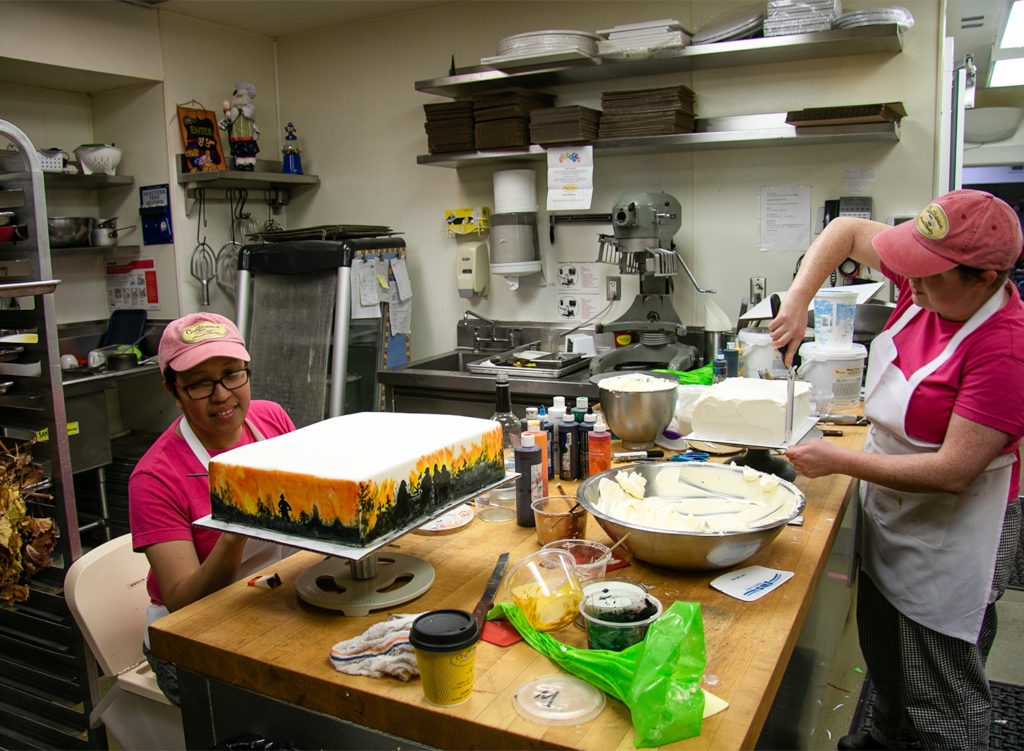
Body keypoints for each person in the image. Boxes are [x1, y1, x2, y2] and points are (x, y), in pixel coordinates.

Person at [769, 189, 1024, 750]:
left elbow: (955, 471)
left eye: (929, 275)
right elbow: (846, 231)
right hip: (894, 507)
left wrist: (838, 461)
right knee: (887, 655)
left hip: (954, 532)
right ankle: (886, 738)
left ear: (984, 279)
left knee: (941, 686)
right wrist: (799, 299)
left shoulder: (1005, 349)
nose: (912, 282)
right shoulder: (926, 287)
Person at [128, 312, 295, 704]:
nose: (221, 395)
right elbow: (182, 602)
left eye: (232, 374)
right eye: (200, 383)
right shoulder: (155, 478)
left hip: (267, 599)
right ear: (173, 391)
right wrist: (235, 526)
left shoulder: (270, 420)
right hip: (188, 641)